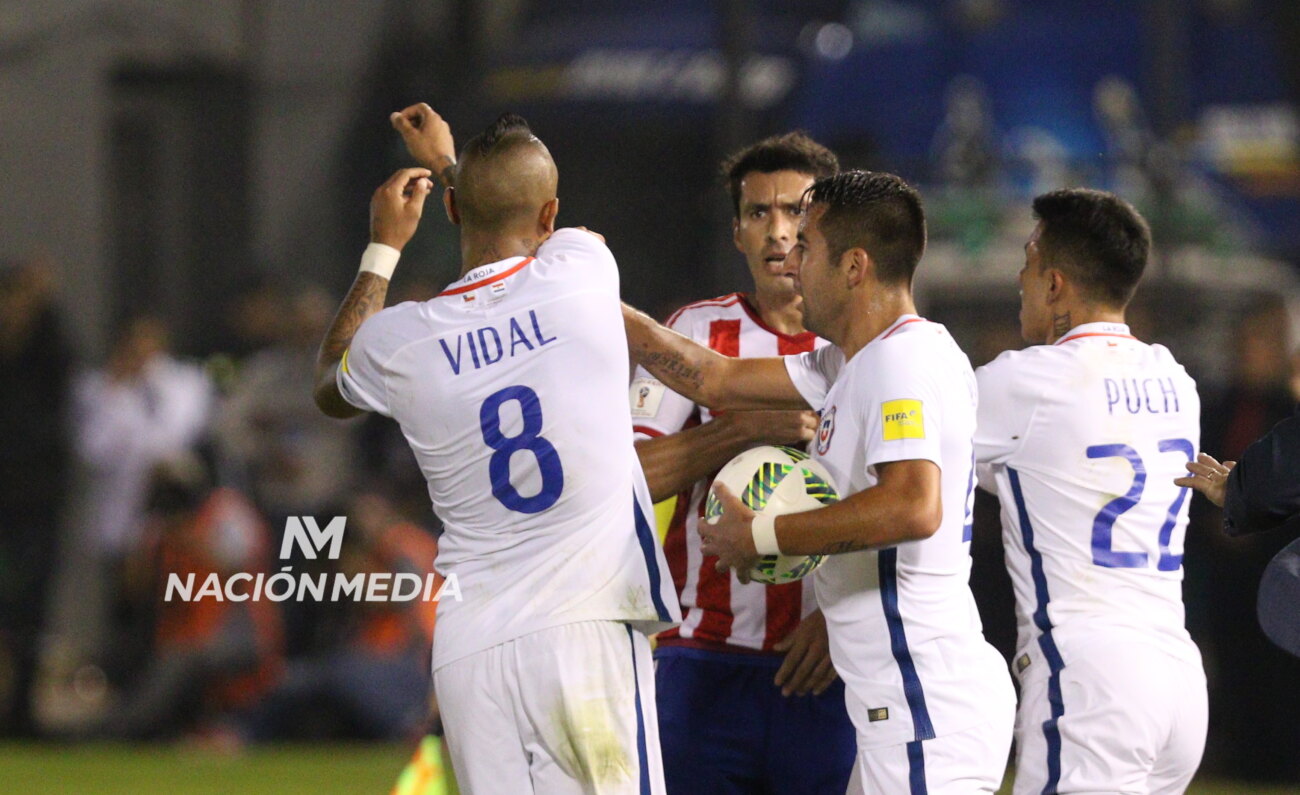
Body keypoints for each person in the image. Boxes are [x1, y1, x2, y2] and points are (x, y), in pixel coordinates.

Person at [312, 105, 679, 794]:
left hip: (471, 646)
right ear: (550, 218)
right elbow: (523, 221)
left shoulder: (405, 340)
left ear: (449, 210)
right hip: (585, 630)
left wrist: (384, 246)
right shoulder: (582, 267)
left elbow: (332, 379)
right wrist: (455, 164)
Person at [624, 170, 1015, 793]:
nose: (791, 259)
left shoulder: (900, 362)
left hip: (922, 699)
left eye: (807, 244)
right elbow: (713, 379)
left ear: (854, 266)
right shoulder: (852, 360)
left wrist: (765, 535)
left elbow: (913, 505)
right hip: (900, 701)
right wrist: (595, 300)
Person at [629, 132, 855, 793]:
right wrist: (737, 433)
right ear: (737, 233)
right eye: (759, 213)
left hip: (824, 661)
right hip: (700, 660)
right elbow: (627, 479)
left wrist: (840, 620)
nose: (778, 232)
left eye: (796, 211)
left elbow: (909, 500)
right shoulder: (695, 336)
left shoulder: (867, 346)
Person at [972, 188, 1207, 793]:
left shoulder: (1026, 382)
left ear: (1054, 284)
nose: (1019, 281)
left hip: (1091, 678)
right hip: (1177, 679)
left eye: (1026, 264)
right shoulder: (1176, 380)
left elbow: (907, 448)